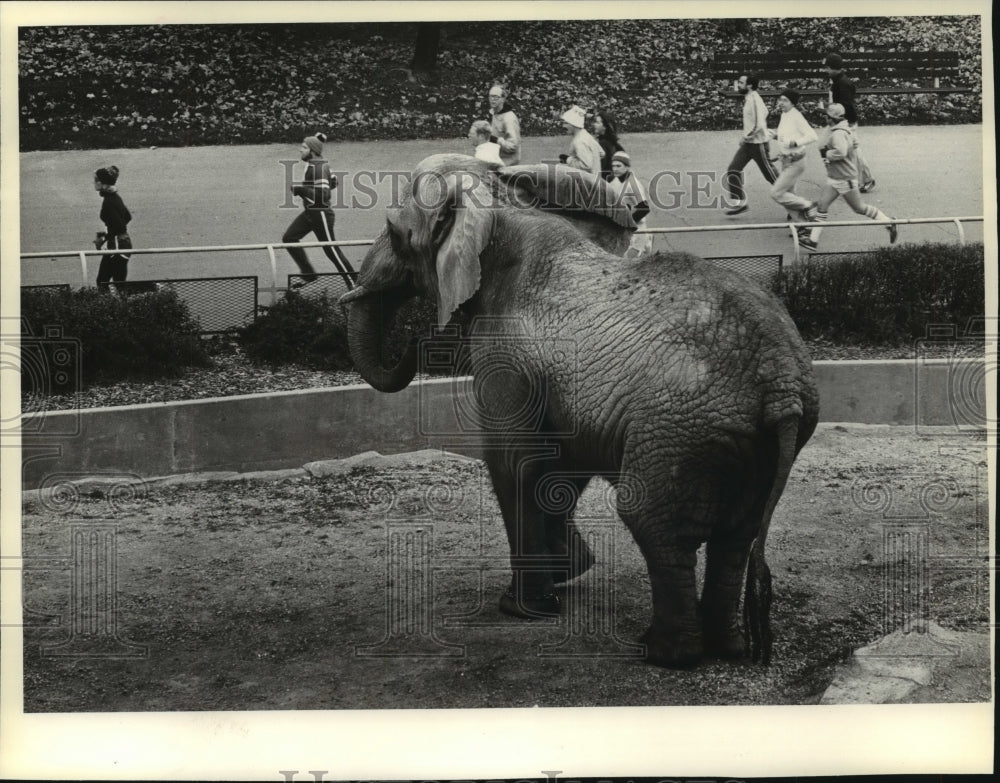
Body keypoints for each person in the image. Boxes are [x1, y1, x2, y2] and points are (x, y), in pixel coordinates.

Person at [797, 103, 897, 252]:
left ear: (832, 118)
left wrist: (827, 154)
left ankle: (889, 222)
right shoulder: (845, 129)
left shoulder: (838, 133)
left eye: (826, 116)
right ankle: (813, 241)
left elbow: (841, 152)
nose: (824, 117)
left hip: (844, 179)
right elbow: (855, 144)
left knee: (859, 208)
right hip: (836, 177)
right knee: (822, 207)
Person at [282, 131, 352, 286]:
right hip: (311, 213)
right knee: (289, 238)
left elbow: (323, 195)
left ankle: (354, 284)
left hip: (321, 215)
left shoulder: (318, 167)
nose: (300, 150)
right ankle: (309, 274)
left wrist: (301, 190)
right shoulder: (318, 163)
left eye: (304, 147)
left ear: (312, 151)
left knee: (332, 251)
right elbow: (334, 182)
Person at [722, 74, 779, 216]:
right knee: (733, 169)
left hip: (758, 145)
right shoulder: (749, 98)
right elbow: (764, 113)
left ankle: (794, 201)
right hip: (749, 144)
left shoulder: (754, 99)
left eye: (741, 83)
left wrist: (746, 137)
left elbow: (759, 125)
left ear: (749, 86)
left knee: (772, 177)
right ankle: (740, 203)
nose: (738, 85)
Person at [824, 52, 876, 192]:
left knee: (854, 150)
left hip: (845, 123)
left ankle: (866, 179)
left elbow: (847, 106)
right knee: (837, 147)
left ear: (835, 68)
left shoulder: (842, 84)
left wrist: (846, 123)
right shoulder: (838, 82)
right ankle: (844, 177)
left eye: (828, 68)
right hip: (840, 122)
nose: (826, 71)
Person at [768, 88, 819, 222]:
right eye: (780, 99)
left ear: (793, 103)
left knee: (777, 193)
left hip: (796, 162)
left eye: (785, 100)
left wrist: (795, 143)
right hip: (786, 161)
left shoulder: (796, 116)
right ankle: (803, 225)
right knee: (789, 195)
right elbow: (786, 136)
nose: (781, 103)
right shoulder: (785, 114)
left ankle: (808, 205)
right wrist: (775, 136)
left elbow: (813, 136)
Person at [93, 165, 133, 289]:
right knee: (117, 282)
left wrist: (104, 238)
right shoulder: (115, 198)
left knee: (104, 281)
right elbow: (127, 217)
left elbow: (119, 225)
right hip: (122, 243)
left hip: (116, 246)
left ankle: (111, 307)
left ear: (102, 183)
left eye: (96, 180)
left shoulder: (108, 202)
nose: (94, 183)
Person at [607, 151, 652, 258]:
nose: (615, 169)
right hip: (624, 233)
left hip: (636, 231)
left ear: (627, 167)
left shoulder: (633, 184)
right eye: (613, 166)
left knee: (627, 265)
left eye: (618, 166)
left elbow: (644, 208)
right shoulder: (615, 181)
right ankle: (647, 243)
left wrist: (625, 224)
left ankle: (646, 241)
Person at [558, 105, 603, 175]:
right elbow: (602, 153)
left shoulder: (579, 141)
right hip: (596, 179)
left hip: (587, 183)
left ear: (574, 124)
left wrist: (568, 160)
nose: (563, 126)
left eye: (566, 123)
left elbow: (587, 165)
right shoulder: (586, 135)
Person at [486, 84, 521, 165]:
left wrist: (496, 140)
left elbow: (513, 146)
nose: (492, 99)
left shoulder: (509, 118)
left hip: (508, 163)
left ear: (503, 99)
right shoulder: (493, 113)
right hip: (496, 160)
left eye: (496, 97)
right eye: (490, 96)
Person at [593, 111, 624, 181]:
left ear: (605, 127)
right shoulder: (613, 143)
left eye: (597, 123)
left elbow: (600, 168)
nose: (594, 125)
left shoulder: (603, 144)